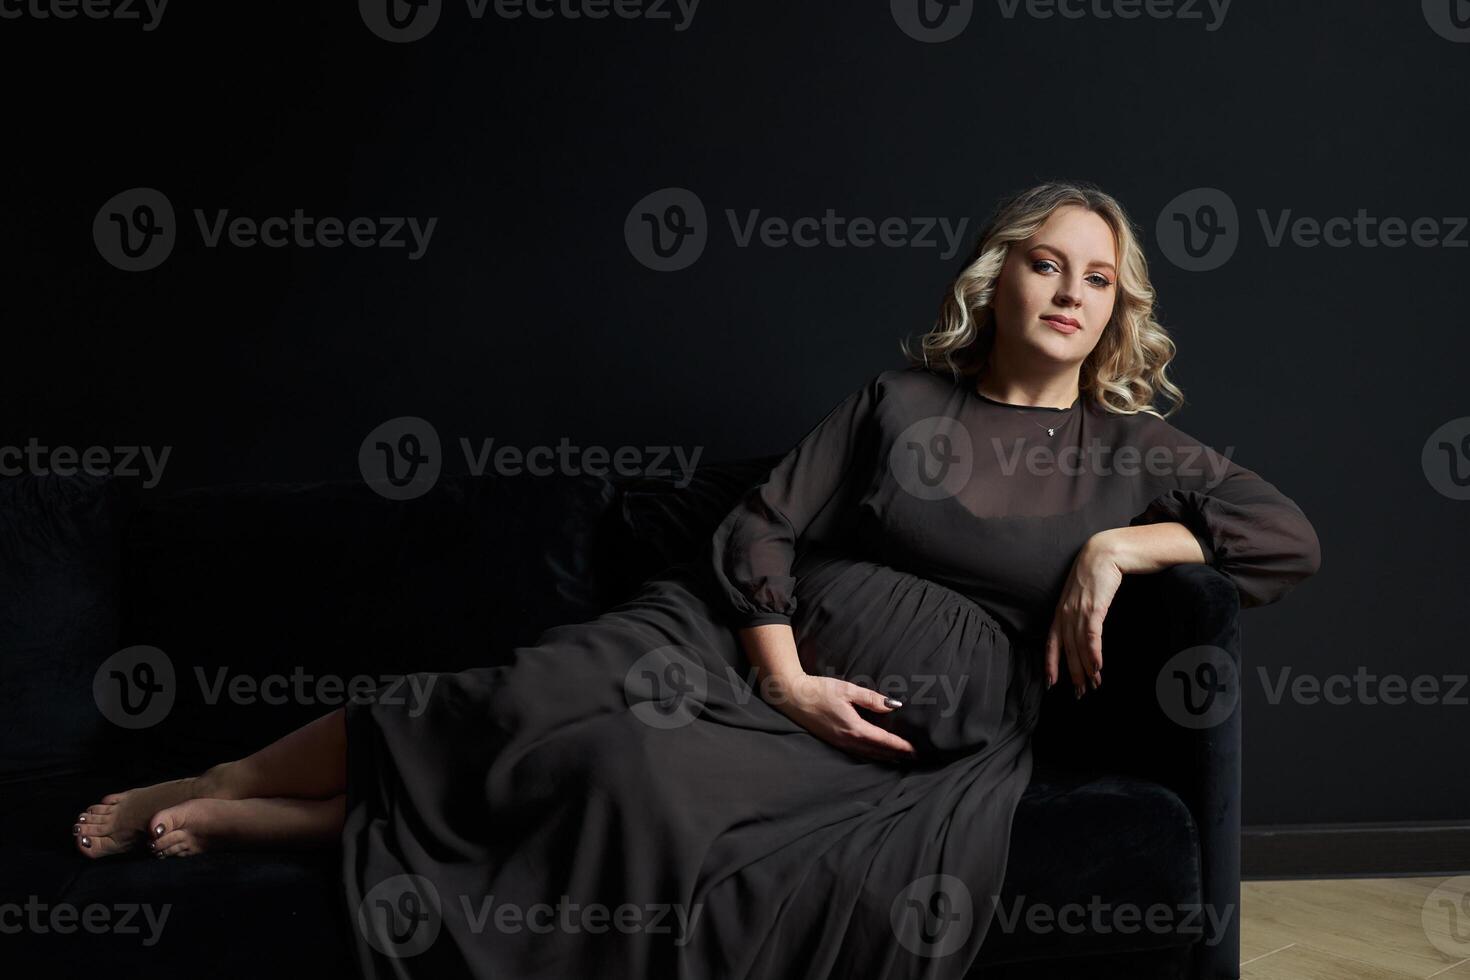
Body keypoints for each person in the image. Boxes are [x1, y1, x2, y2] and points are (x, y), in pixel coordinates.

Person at [69, 181, 1321, 979]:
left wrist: (1119, 545)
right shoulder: (903, 398)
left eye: (1099, 277)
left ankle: (290, 831)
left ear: (1120, 311)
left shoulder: (1133, 447)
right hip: (751, 655)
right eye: (1048, 263)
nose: (1071, 291)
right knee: (522, 696)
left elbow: (1284, 540)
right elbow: (766, 528)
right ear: (997, 279)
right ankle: (228, 776)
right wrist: (784, 679)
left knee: (637, 784)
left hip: (900, 734)